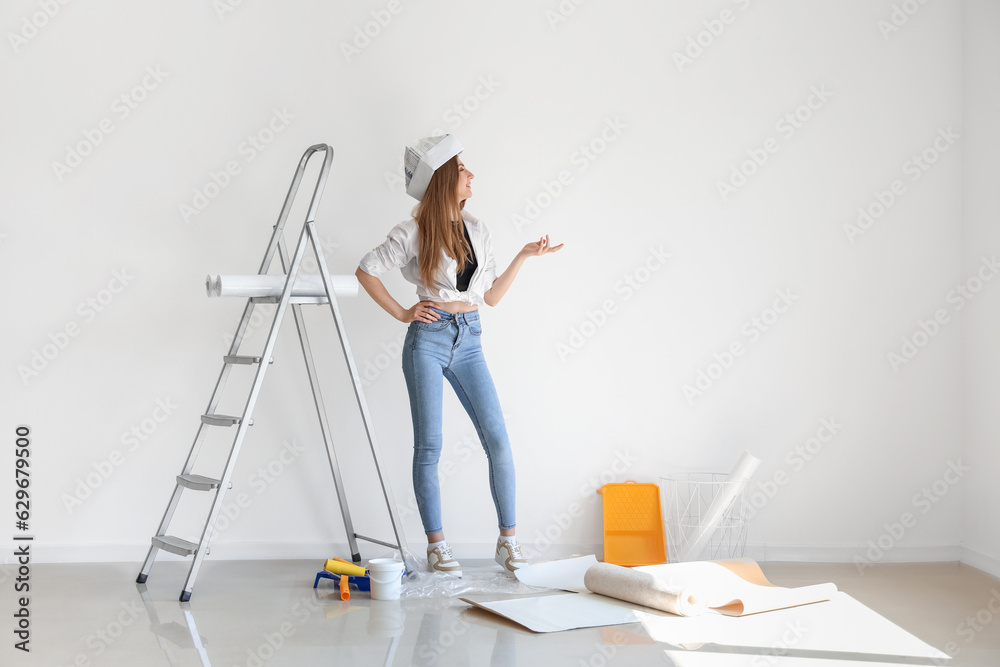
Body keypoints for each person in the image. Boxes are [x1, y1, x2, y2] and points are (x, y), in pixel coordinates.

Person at [356, 135, 563, 576]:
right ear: (445, 178)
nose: (471, 175)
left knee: (498, 440)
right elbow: (366, 269)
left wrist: (524, 256)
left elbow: (490, 296)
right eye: (463, 169)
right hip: (427, 339)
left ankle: (508, 542)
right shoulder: (412, 232)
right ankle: (438, 546)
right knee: (430, 446)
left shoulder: (479, 229)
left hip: (470, 338)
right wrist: (402, 313)